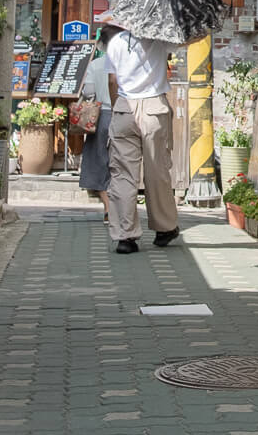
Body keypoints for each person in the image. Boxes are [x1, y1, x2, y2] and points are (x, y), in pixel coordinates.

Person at [102, 16, 180, 255]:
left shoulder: (115, 42)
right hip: (154, 108)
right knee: (157, 171)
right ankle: (164, 228)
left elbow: (112, 81)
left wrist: (117, 107)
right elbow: (185, 40)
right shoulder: (160, 39)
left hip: (124, 107)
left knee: (123, 174)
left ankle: (125, 236)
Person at [77, 32, 112, 220]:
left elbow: (89, 91)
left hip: (100, 116)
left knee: (99, 161)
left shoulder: (96, 65)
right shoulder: (125, 65)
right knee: (121, 163)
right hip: (123, 114)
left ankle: (108, 208)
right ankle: (122, 208)